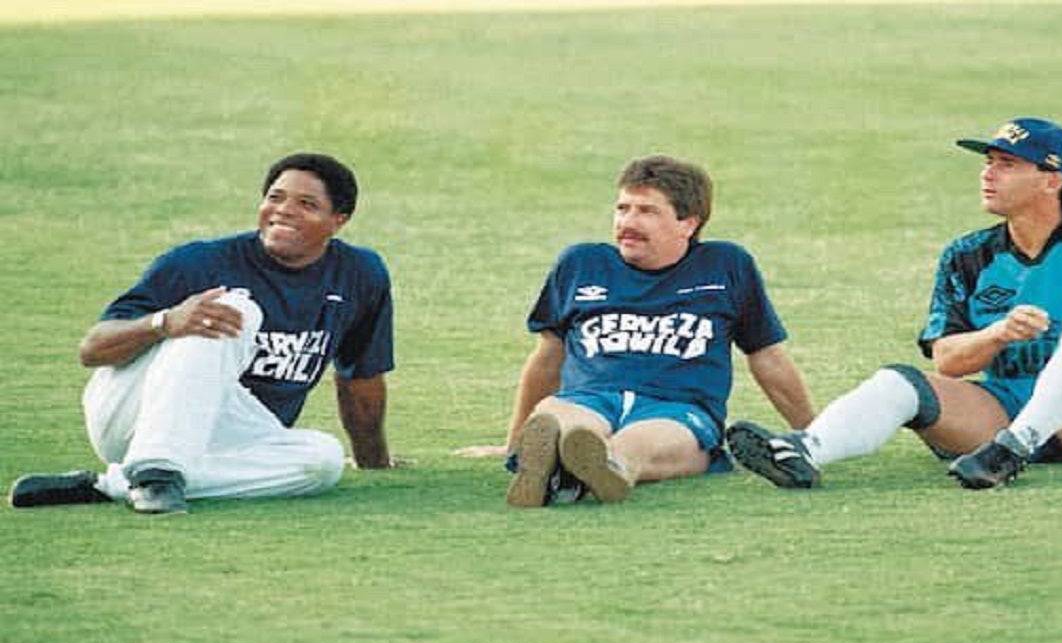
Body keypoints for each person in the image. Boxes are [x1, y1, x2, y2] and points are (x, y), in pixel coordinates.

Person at [727, 118, 1062, 490]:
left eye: (1007, 164)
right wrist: (998, 333)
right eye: (988, 162)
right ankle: (805, 451)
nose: (987, 174)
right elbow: (948, 361)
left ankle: (1016, 446)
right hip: (1003, 409)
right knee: (899, 382)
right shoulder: (967, 255)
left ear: (1051, 180)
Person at [9, 152, 399, 514]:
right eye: (275, 197)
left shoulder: (359, 274)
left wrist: (375, 463)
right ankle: (154, 469)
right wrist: (164, 322)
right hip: (135, 418)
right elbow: (92, 350)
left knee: (322, 460)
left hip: (229, 436)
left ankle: (110, 484)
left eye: (306, 204)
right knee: (233, 308)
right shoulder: (201, 262)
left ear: (339, 219)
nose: (283, 211)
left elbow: (360, 377)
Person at [456, 155, 816, 506]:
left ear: (688, 223)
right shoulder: (581, 263)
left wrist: (816, 436)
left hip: (678, 409)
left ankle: (595, 469)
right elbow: (549, 356)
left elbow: (766, 356)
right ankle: (558, 462)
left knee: (638, 444)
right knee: (561, 420)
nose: (628, 221)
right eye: (623, 208)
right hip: (589, 398)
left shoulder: (725, 266)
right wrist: (515, 439)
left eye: (647, 211)